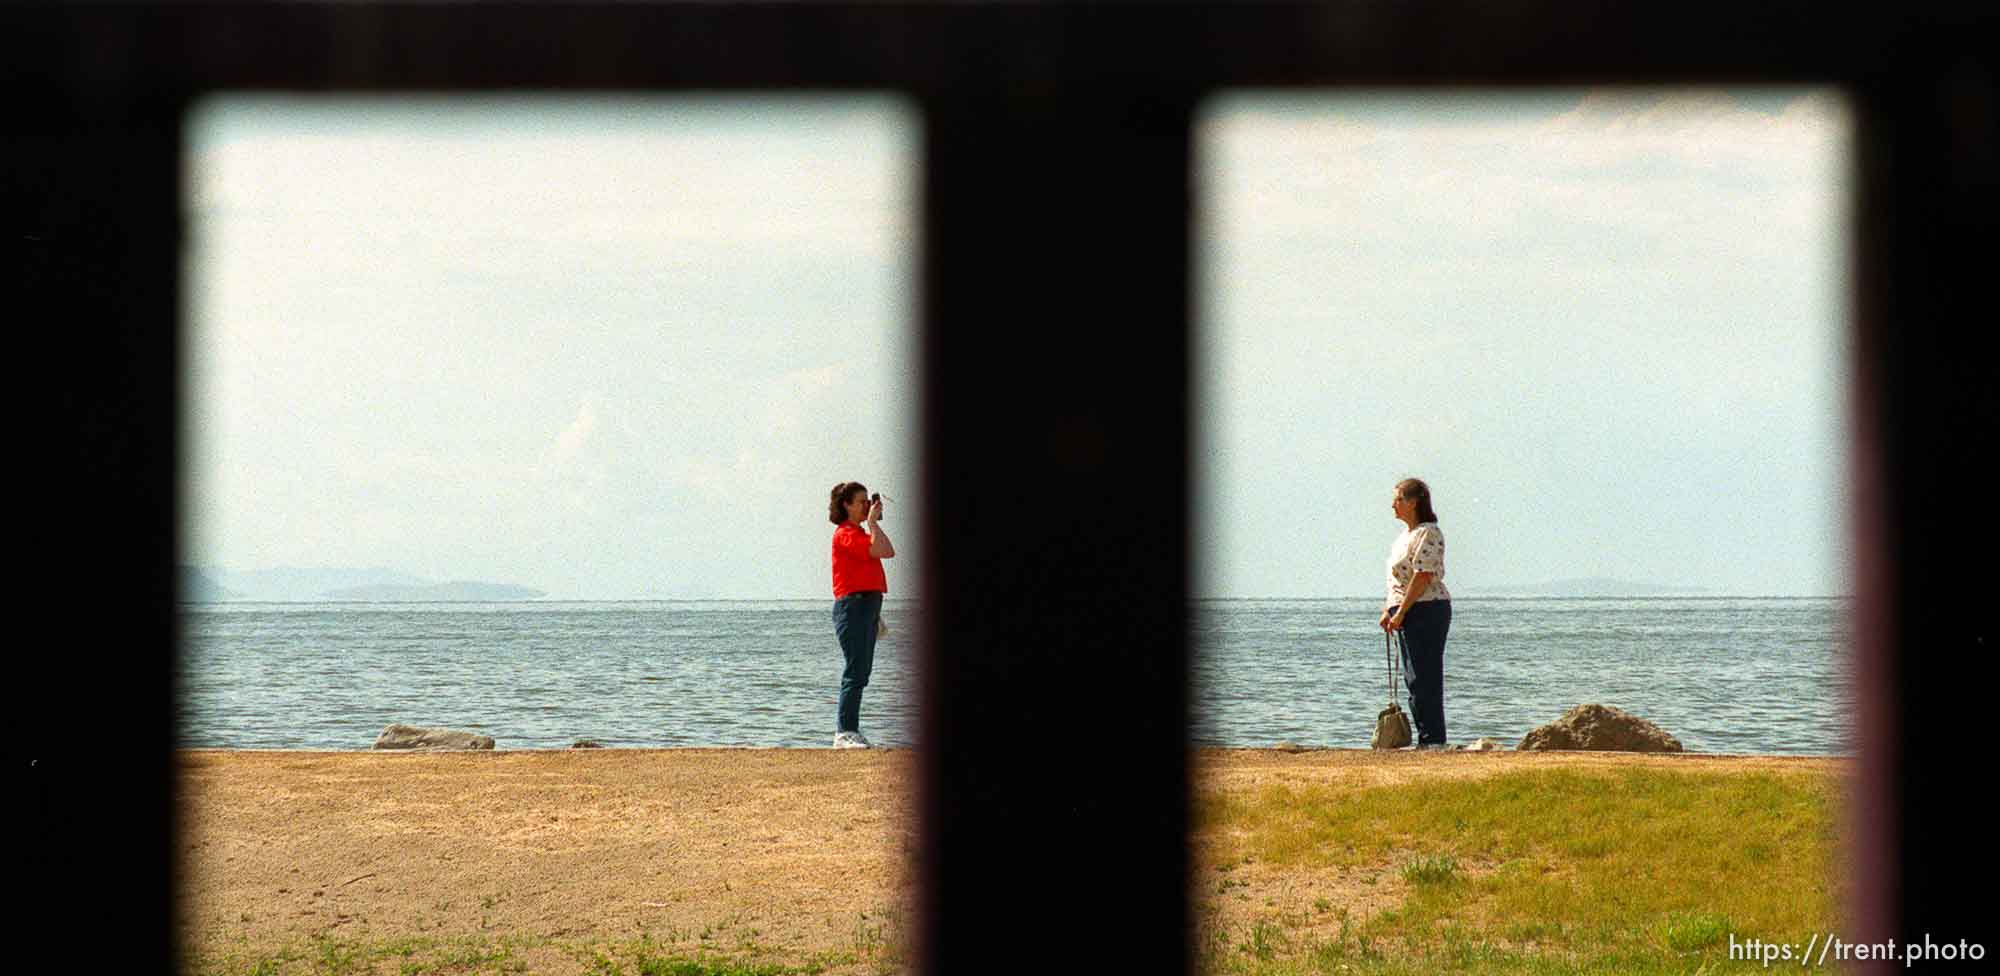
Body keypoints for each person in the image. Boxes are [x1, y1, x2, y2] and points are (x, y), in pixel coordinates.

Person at [1379, 477, 1452, 750]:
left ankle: (1434, 738)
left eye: (1398, 499)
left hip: (1427, 608)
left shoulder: (1428, 533)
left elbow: (1422, 577)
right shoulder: (1404, 537)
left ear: (1414, 502)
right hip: (1406, 609)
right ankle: (1425, 736)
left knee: (1425, 675)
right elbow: (1397, 579)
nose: (1393, 505)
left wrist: (1402, 612)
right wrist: (1389, 610)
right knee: (1413, 677)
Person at [828, 481, 895, 748]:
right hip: (853, 607)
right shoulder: (845, 534)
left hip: (867, 606)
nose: (867, 506)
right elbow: (881, 550)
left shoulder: (860, 533)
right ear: (846, 505)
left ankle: (850, 730)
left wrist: (872, 525)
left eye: (869, 502)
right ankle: (844, 732)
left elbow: (888, 551)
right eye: (862, 502)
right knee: (855, 671)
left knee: (862, 672)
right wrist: (873, 524)